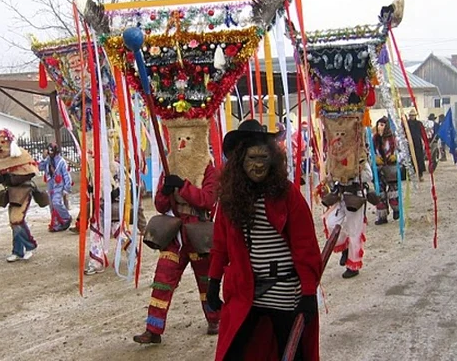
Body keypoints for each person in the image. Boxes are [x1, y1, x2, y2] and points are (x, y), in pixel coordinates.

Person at [207, 119, 322, 361]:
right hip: (245, 292)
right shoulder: (230, 199)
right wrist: (213, 282)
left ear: (273, 160)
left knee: (292, 354)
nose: (258, 166)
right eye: (252, 159)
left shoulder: (288, 195)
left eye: (263, 158)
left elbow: (306, 248)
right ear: (240, 161)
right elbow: (220, 245)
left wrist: (309, 292)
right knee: (233, 353)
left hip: (286, 292)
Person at [133, 118, 220, 344]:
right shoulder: (170, 167)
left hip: (199, 233)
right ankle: (153, 329)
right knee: (163, 279)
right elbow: (162, 206)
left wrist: (183, 186)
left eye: (187, 139)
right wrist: (165, 190)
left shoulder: (208, 170)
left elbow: (208, 201)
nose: (182, 144)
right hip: (175, 233)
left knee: (206, 280)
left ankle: (215, 318)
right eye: (179, 138)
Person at [0, 129, 41, 262]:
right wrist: (0, 179)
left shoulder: (21, 154)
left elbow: (31, 172)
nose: (0, 145)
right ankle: (17, 250)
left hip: (24, 190)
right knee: (13, 222)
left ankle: (30, 245)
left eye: (3, 142)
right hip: (11, 192)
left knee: (16, 219)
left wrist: (13, 178)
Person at [39, 143, 72, 232]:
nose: (50, 153)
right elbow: (39, 167)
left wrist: (66, 188)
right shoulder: (48, 160)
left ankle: (66, 218)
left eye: (51, 151)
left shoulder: (61, 161)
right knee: (52, 205)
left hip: (59, 185)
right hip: (50, 185)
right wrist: (44, 158)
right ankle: (56, 224)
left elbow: (66, 175)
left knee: (56, 202)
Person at [373, 117, 400, 225]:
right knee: (380, 193)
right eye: (378, 124)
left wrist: (396, 156)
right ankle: (382, 216)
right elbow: (368, 152)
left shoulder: (394, 139)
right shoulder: (373, 139)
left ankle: (396, 210)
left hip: (391, 169)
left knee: (393, 192)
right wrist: (374, 158)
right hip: (378, 169)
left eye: (382, 125)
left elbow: (402, 152)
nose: (380, 127)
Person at [405, 109, 427, 180]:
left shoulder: (419, 123)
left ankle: (420, 175)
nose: (412, 117)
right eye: (411, 115)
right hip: (409, 143)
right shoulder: (406, 124)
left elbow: (423, 133)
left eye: (413, 115)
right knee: (410, 159)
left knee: (419, 159)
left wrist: (426, 142)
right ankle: (411, 175)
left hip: (417, 143)